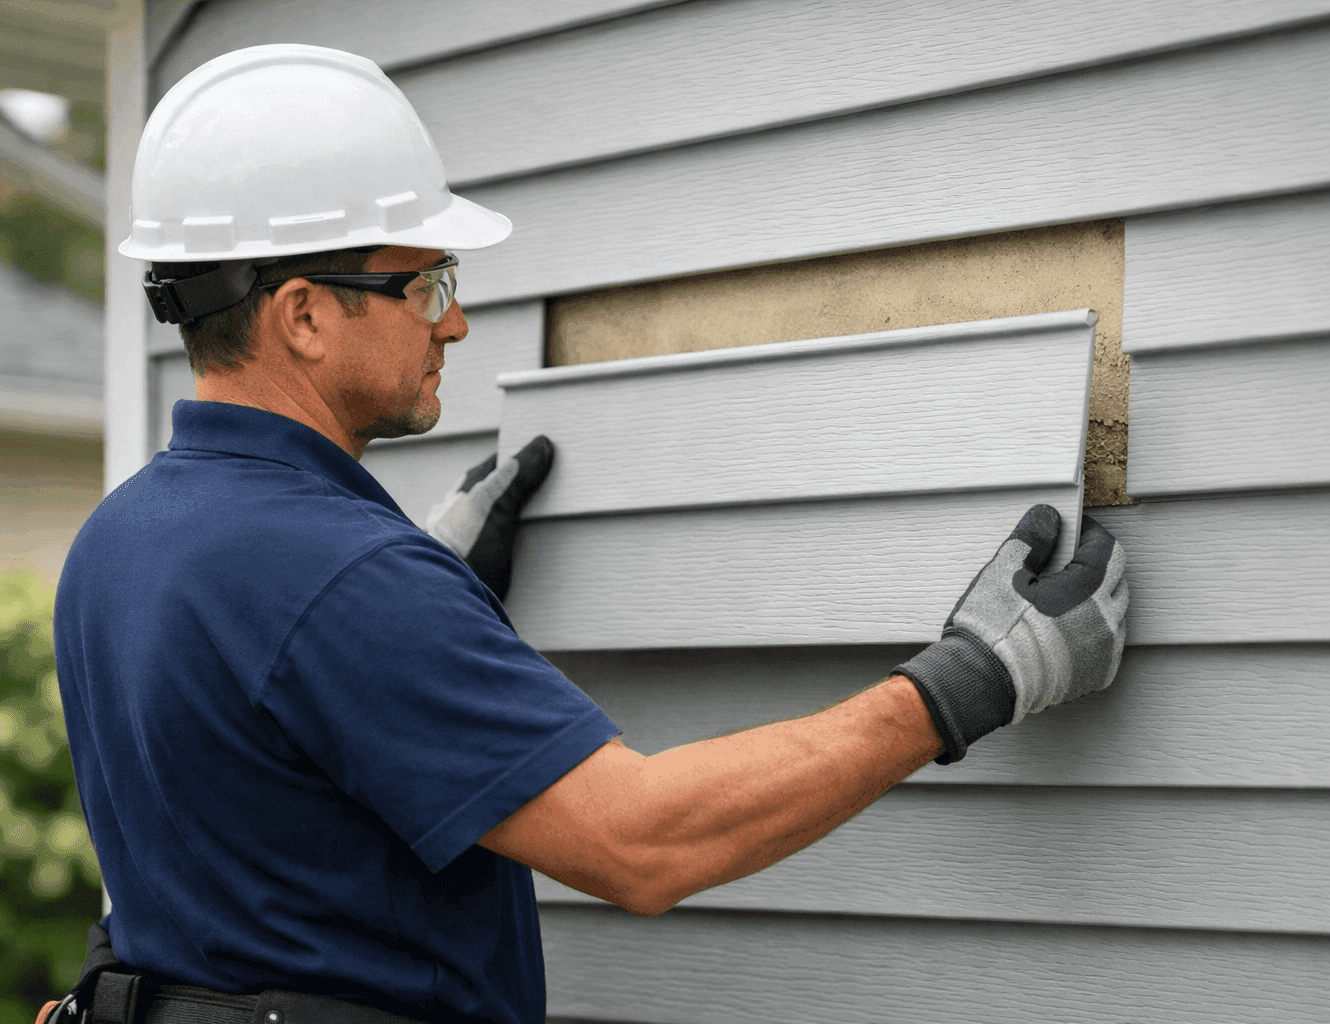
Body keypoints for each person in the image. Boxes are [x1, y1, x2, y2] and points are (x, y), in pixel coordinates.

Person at [49, 44, 1128, 1024]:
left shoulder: (117, 545)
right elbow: (642, 840)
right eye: (423, 284)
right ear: (303, 315)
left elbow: (256, 787)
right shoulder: (342, 581)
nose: (454, 321)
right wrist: (966, 683)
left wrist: (413, 592)